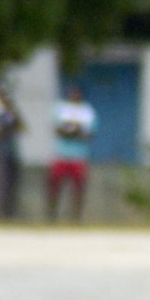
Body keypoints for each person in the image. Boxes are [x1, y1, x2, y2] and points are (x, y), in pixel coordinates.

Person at [47, 84, 96, 222]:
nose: (74, 96)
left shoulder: (87, 111)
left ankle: (76, 217)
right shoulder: (61, 109)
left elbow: (89, 134)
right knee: (54, 185)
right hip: (61, 154)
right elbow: (57, 130)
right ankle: (51, 215)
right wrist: (75, 131)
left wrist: (72, 131)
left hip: (79, 155)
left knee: (79, 187)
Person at [0, 87, 24, 219]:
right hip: (2, 154)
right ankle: (2, 213)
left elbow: (22, 127)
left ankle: (12, 212)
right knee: (2, 184)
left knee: (13, 184)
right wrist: (6, 128)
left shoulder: (11, 114)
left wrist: (14, 114)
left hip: (12, 153)